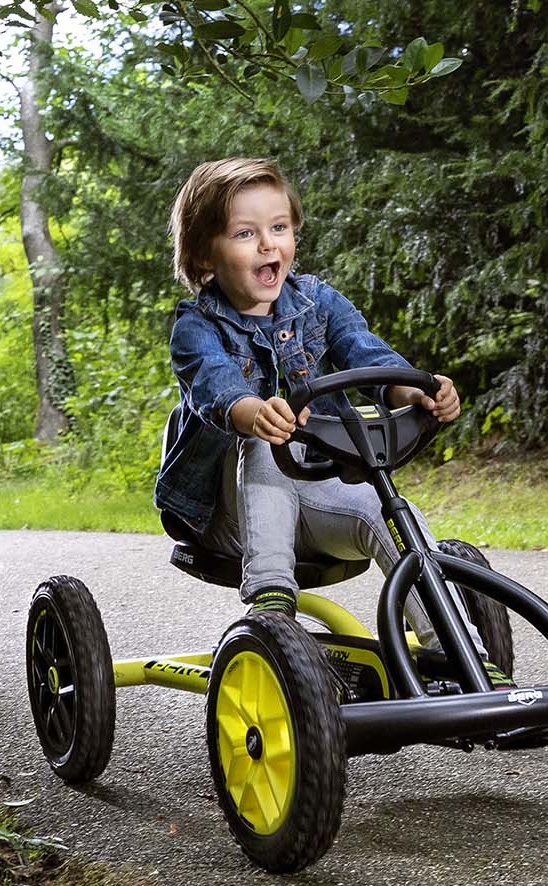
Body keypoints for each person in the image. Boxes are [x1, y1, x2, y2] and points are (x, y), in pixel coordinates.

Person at [154, 156, 477, 650]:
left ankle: (459, 651)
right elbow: (217, 389)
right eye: (245, 233)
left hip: (314, 497)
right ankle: (271, 602)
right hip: (227, 518)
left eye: (279, 228)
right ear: (204, 257)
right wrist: (255, 413)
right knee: (265, 441)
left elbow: (368, 357)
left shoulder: (318, 303)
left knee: (386, 508)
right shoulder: (196, 328)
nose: (268, 244)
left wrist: (417, 392)